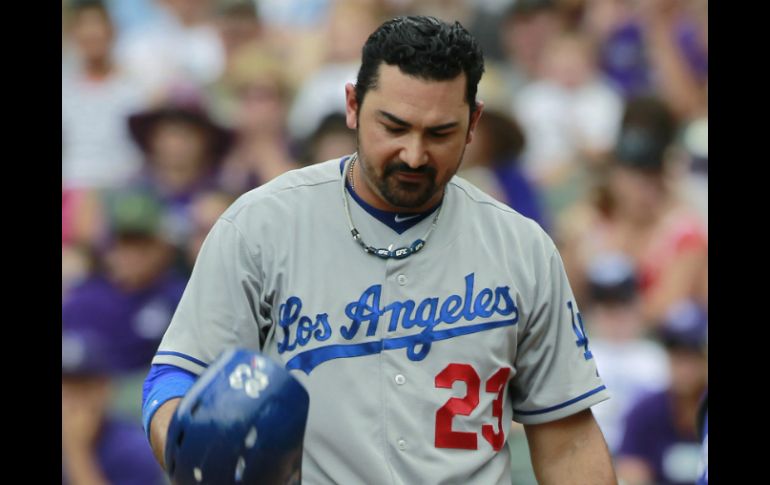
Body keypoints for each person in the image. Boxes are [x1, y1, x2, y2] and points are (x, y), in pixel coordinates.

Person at [143, 16, 616, 484]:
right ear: (353, 105)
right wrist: (192, 448)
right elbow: (174, 377)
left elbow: (568, 441)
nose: (413, 154)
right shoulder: (260, 226)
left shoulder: (522, 247)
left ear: (473, 123)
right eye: (394, 126)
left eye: (439, 133)